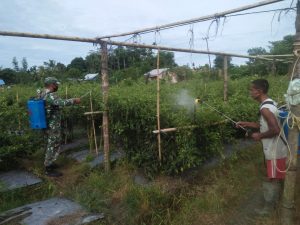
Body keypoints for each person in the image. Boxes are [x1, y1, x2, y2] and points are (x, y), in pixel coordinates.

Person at [236, 79, 287, 216]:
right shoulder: (271, 103)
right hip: (279, 147)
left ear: (259, 91)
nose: (250, 92)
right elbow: (265, 124)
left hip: (274, 149)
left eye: (252, 89)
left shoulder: (265, 109)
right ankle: (278, 201)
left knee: (272, 178)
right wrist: (246, 123)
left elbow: (275, 130)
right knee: (277, 176)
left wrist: (259, 136)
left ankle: (269, 209)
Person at [37, 77, 81, 177]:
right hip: (52, 125)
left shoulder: (42, 93)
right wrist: (74, 100)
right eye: (56, 84)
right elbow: (62, 103)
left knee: (49, 143)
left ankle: (50, 163)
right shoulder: (50, 95)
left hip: (46, 123)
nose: (57, 86)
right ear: (52, 85)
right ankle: (48, 168)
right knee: (53, 144)